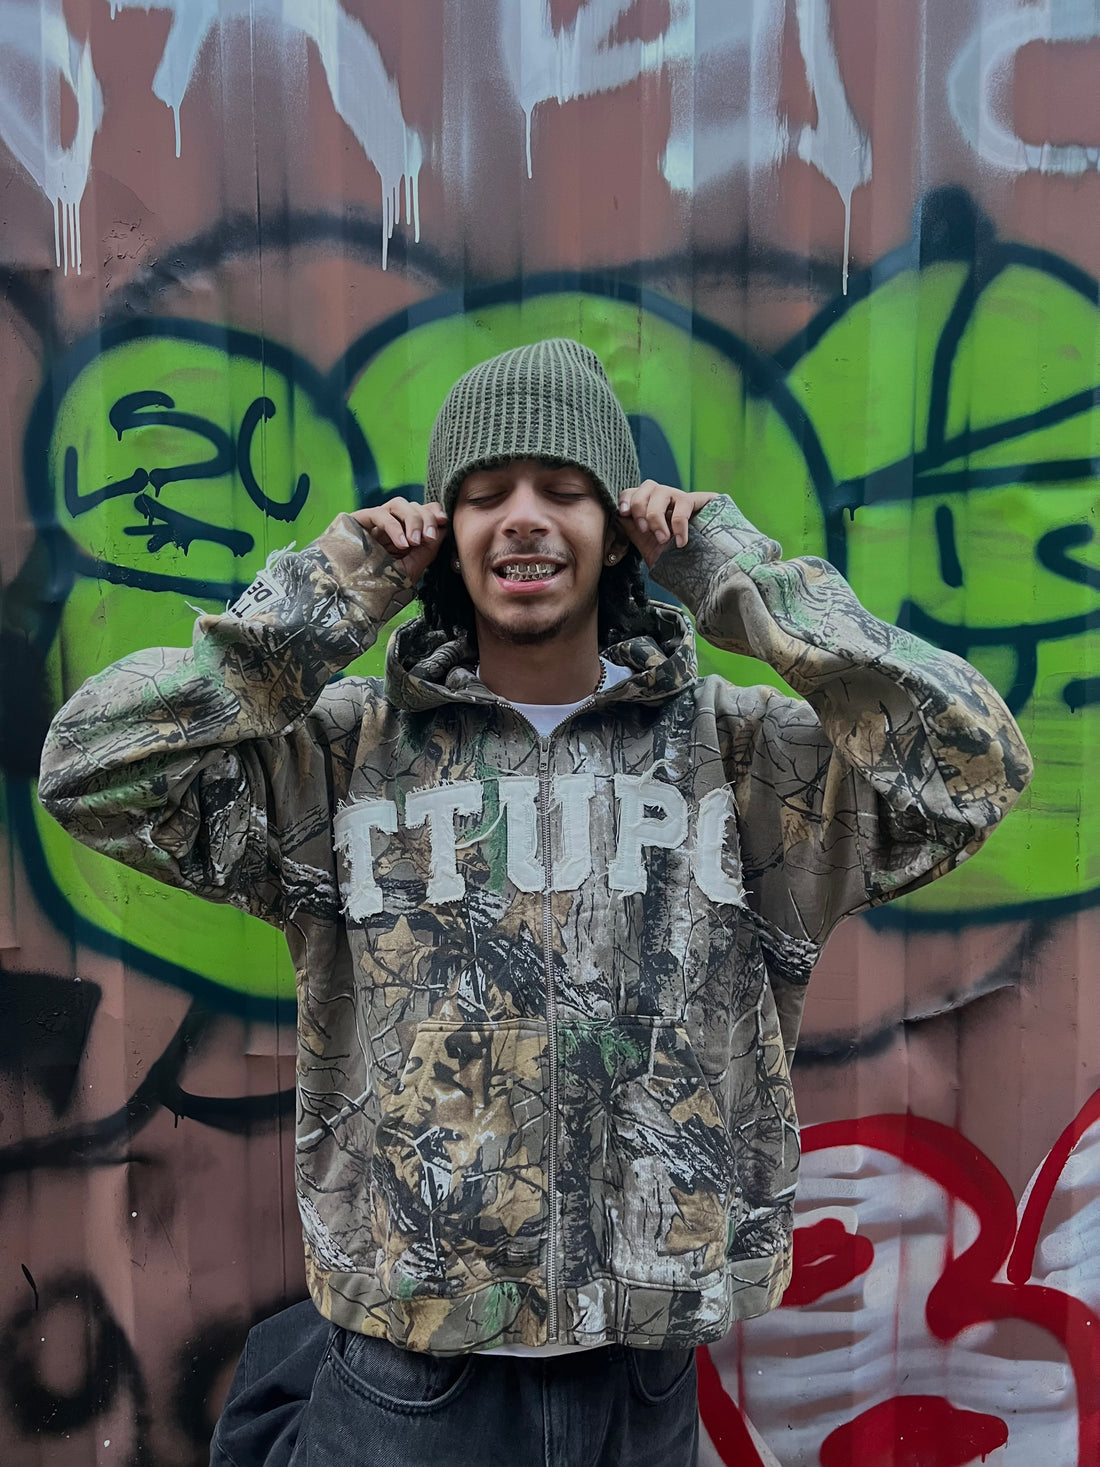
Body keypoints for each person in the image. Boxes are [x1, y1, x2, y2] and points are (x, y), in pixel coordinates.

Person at [38, 338, 1032, 1466]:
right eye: (484, 494)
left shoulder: (749, 761)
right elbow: (89, 769)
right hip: (412, 1376)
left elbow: (976, 768)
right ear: (443, 533)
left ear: (617, 531)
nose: (523, 519)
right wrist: (317, 605)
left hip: (640, 1372)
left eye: (564, 489)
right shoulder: (341, 758)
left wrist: (739, 578)